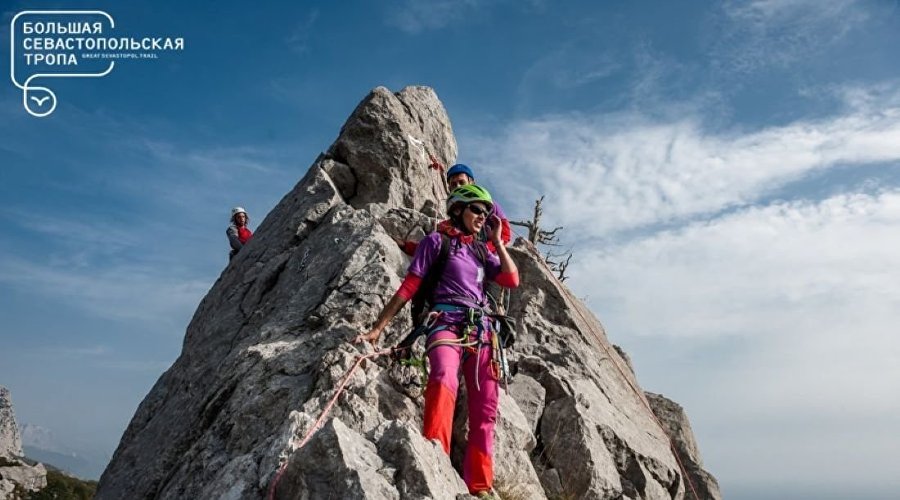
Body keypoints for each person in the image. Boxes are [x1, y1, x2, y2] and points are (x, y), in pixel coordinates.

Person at [354, 185, 519, 497]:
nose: (483, 217)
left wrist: (497, 241)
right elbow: (410, 286)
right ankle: (436, 460)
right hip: (445, 322)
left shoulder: (482, 251)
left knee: (486, 408)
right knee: (443, 378)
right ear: (457, 209)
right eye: (476, 210)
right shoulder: (436, 241)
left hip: (482, 331)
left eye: (486, 213)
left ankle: (479, 485)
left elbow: (512, 279)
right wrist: (378, 328)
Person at [396, 163, 511, 256]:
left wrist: (485, 250)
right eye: (453, 184)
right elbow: (434, 245)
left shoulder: (490, 205)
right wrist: (406, 246)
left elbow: (505, 234)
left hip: (487, 260)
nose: (458, 187)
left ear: (472, 182)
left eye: (462, 182)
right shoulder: (450, 221)